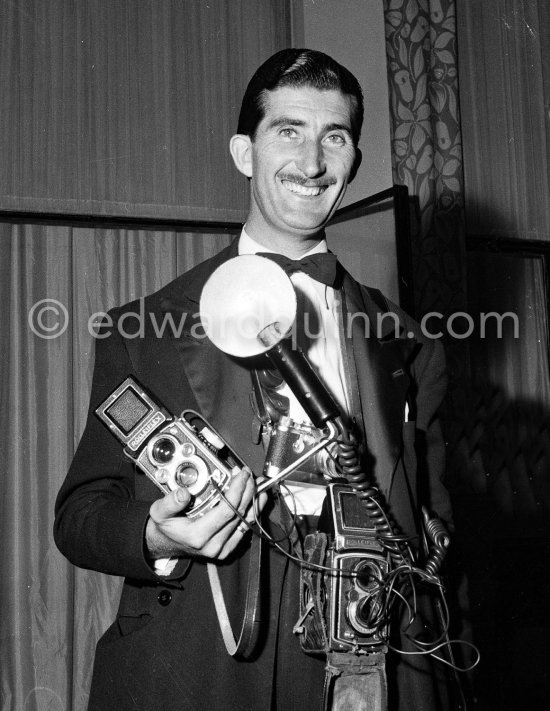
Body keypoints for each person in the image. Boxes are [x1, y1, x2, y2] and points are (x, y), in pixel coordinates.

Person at [54, 49, 453, 711]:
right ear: (245, 152)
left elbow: (439, 530)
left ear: (353, 161)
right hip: (199, 668)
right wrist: (156, 535)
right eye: (287, 130)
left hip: (372, 664)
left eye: (336, 136)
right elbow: (79, 516)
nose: (311, 160)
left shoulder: (411, 343)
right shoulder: (140, 329)